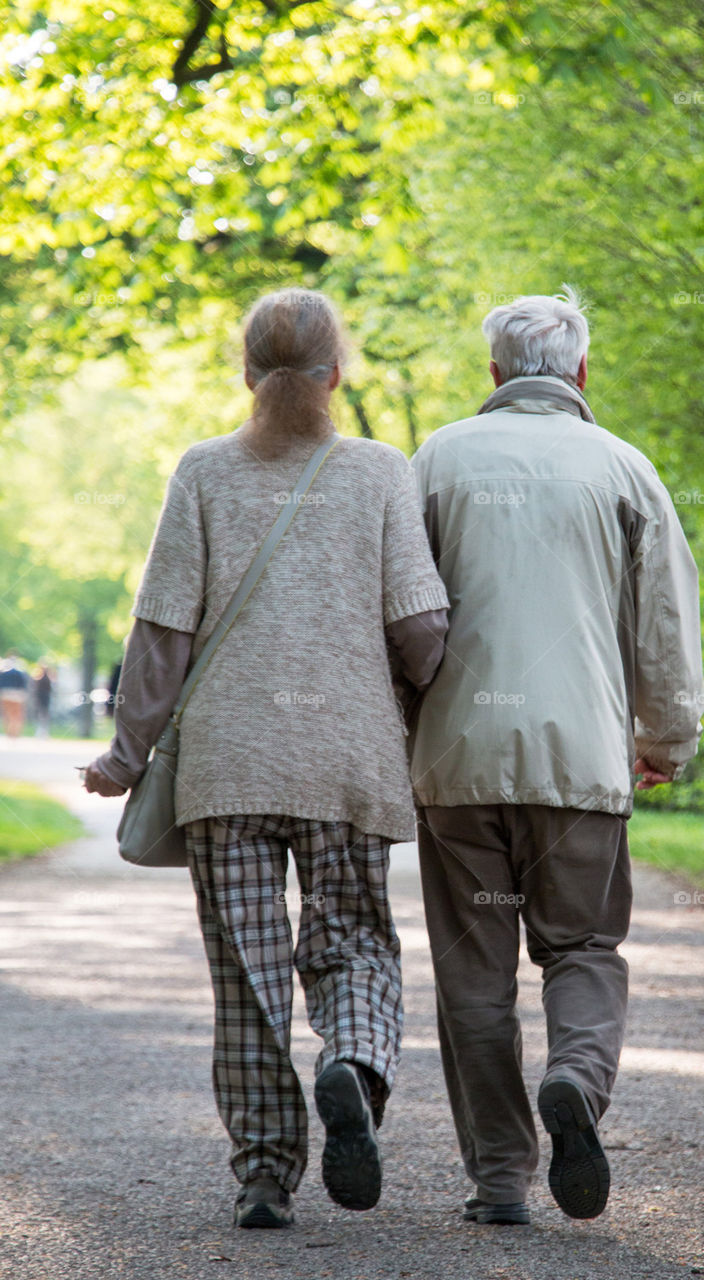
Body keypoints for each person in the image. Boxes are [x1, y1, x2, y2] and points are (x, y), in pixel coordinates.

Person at [84, 287, 449, 1229]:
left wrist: (126, 756)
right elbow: (421, 629)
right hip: (346, 764)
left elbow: (161, 632)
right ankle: (352, 1068)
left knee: (246, 978)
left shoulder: (202, 472)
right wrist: (426, 700)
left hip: (226, 770)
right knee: (354, 944)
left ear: (245, 372)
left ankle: (262, 1172)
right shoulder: (379, 472)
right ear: (338, 372)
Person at [408, 287, 703, 1226]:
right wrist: (665, 740)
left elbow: (399, 616)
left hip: (457, 763)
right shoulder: (623, 467)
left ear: (493, 373)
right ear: (581, 372)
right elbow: (664, 621)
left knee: (473, 973)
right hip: (580, 758)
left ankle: (499, 1179)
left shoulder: (438, 459)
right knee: (581, 946)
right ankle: (575, 1076)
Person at [0, 653, 30, 737]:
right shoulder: (20, 672)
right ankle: (14, 732)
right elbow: (23, 685)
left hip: (5, 694)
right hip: (17, 695)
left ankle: (9, 732)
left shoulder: (4, 672)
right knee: (16, 715)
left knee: (7, 714)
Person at [32, 662, 53, 737]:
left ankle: (42, 731)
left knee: (43, 714)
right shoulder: (43, 678)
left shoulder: (41, 679)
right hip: (42, 698)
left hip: (44, 698)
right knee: (42, 714)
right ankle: (41, 731)